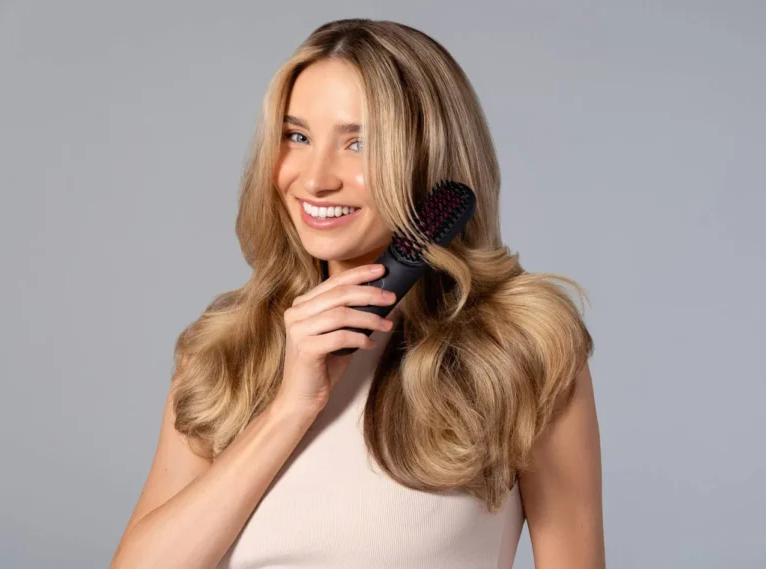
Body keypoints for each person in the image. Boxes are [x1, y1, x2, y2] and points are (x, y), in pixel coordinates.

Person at [111, 18, 604, 569]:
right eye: (297, 137)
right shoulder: (223, 349)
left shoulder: (522, 349)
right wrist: (289, 409)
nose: (315, 178)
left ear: (431, 162)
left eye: (359, 143)